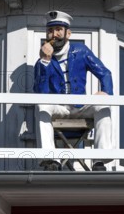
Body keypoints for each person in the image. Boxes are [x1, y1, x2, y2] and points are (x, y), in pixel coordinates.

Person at [33, 10, 113, 171]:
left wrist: (105, 92)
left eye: (58, 30)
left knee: (103, 105)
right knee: (42, 105)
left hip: (80, 106)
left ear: (68, 33)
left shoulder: (81, 51)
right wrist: (45, 61)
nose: (54, 34)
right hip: (59, 108)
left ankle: (100, 160)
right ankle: (50, 159)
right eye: (50, 30)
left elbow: (105, 73)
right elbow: (40, 91)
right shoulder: (41, 62)